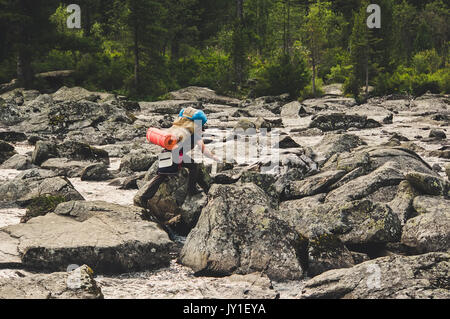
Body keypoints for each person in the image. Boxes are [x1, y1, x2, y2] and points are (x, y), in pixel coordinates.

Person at [135, 107, 219, 208]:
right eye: (203, 127)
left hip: (166, 152)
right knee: (193, 167)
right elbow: (203, 150)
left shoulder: (178, 128)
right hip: (176, 155)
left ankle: (144, 197)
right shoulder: (195, 133)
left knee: (161, 176)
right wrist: (214, 157)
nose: (203, 129)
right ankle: (192, 190)